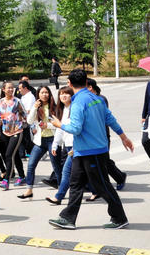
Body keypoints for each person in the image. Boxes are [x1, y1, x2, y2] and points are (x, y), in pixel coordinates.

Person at [48, 69, 134, 230]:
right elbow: (110, 119)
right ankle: (68, 218)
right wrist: (123, 137)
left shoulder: (78, 103)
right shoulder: (97, 99)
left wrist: (59, 125)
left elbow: (75, 129)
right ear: (86, 82)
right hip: (82, 151)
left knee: (102, 186)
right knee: (75, 184)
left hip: (92, 152)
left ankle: (119, 218)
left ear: (69, 83)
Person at [85, 79, 127, 199]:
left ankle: (119, 177)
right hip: (92, 136)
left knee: (104, 161)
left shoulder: (100, 99)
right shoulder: (88, 99)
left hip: (102, 135)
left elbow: (106, 118)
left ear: (90, 87)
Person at [18, 86, 56, 200]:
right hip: (40, 141)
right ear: (38, 94)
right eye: (42, 92)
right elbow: (29, 121)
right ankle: (29, 190)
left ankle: (61, 191)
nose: (44, 95)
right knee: (31, 165)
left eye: (46, 92)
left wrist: (47, 125)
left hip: (52, 140)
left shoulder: (54, 107)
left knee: (56, 166)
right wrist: (34, 108)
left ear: (49, 94)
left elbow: (59, 124)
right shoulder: (37, 107)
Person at [0, 81, 27, 190]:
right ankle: (22, 176)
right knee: (14, 155)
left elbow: (25, 115)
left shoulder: (17, 101)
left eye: (12, 88)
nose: (11, 89)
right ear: (3, 89)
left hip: (16, 131)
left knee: (8, 155)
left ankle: (6, 180)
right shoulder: (1, 101)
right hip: (5, 132)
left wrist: (31, 126)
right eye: (8, 88)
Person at [46, 87, 75, 205]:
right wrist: (55, 144)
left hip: (76, 146)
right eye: (61, 94)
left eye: (67, 94)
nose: (63, 96)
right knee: (87, 173)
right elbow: (60, 128)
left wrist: (76, 146)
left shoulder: (74, 109)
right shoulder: (63, 110)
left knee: (66, 172)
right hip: (67, 145)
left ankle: (58, 197)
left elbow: (78, 129)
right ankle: (96, 191)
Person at [17, 80, 36, 157]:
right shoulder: (24, 97)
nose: (19, 90)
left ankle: (31, 152)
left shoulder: (30, 97)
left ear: (25, 88)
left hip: (29, 122)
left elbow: (28, 111)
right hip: (24, 122)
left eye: (20, 88)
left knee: (28, 139)